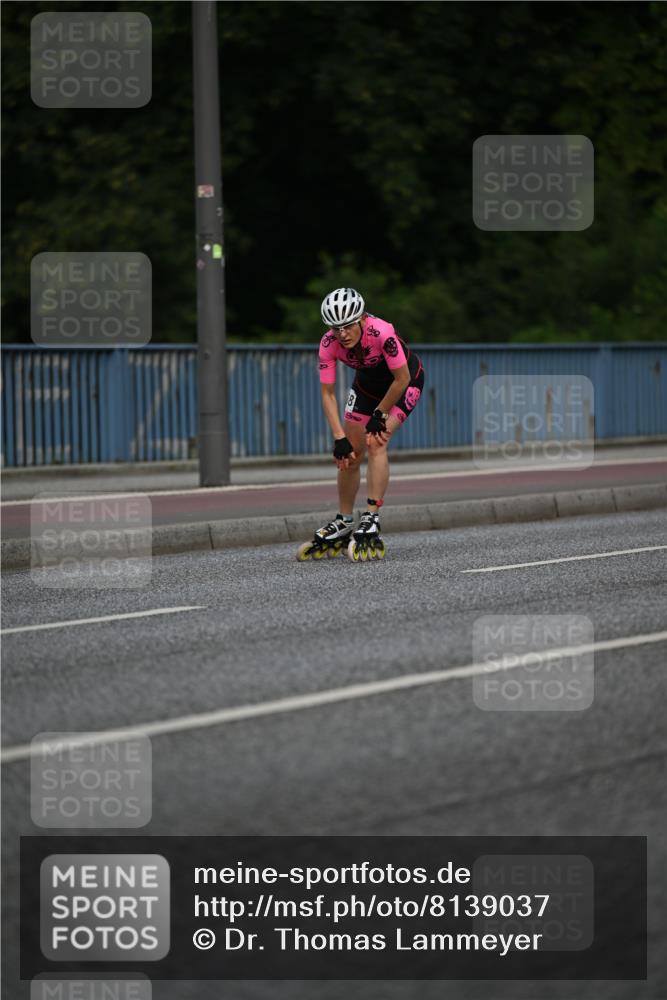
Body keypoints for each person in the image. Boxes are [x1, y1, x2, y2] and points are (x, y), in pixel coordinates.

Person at [297, 286, 425, 561]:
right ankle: (344, 520)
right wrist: (339, 437)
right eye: (335, 328)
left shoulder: (383, 334)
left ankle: (371, 516)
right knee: (350, 455)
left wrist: (380, 414)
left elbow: (401, 379)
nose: (341, 334)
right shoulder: (328, 344)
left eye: (347, 326)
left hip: (403, 383)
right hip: (366, 387)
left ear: (360, 319)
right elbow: (327, 393)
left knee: (376, 442)